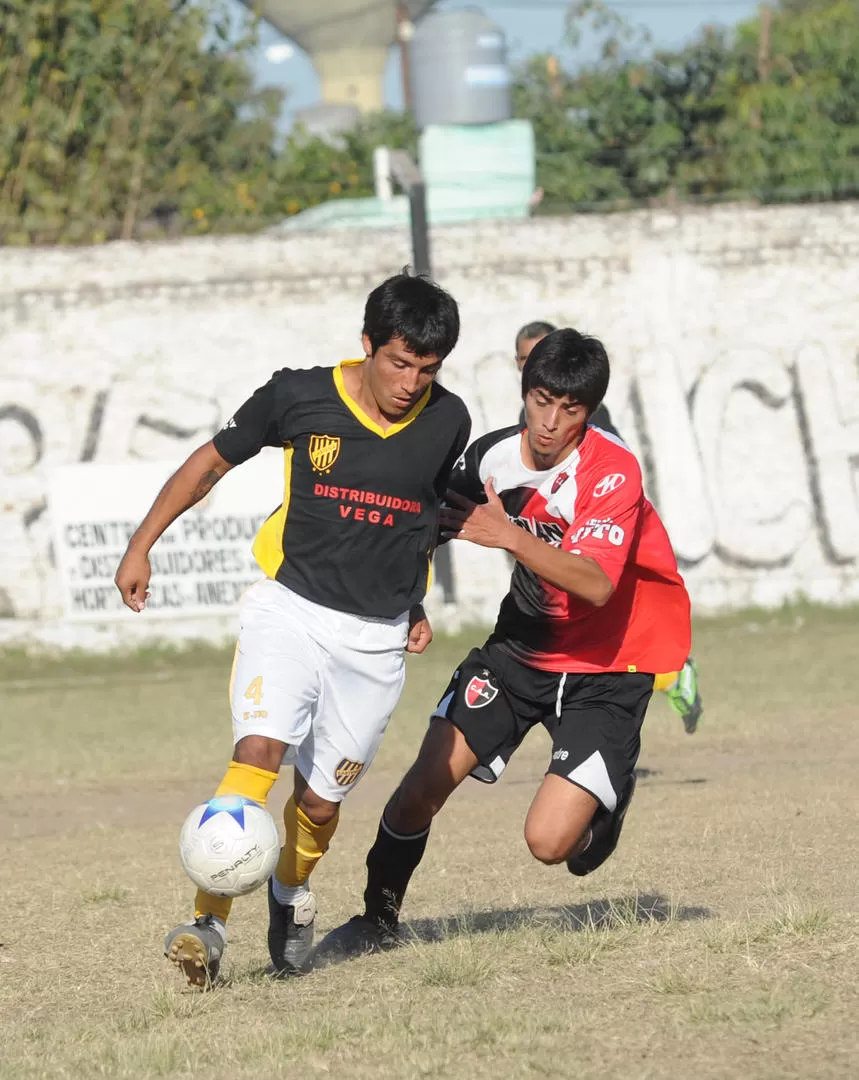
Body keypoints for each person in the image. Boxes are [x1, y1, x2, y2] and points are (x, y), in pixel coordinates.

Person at [114, 271, 471, 987]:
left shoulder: (448, 420)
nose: (410, 382)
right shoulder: (297, 395)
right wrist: (141, 543)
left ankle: (288, 893)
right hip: (291, 610)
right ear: (367, 344)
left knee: (318, 801)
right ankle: (207, 924)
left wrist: (413, 599)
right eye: (398, 362)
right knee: (258, 748)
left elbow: (421, 519)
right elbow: (209, 464)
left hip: (374, 642)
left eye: (426, 369)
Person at [317, 328, 692, 959]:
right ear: (524, 390)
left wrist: (509, 537)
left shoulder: (610, 471)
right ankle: (377, 919)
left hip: (606, 667)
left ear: (590, 411)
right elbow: (418, 527)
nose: (550, 423)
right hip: (518, 652)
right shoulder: (488, 458)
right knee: (422, 786)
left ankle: (607, 801)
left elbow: (596, 584)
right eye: (541, 400)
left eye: (570, 411)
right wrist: (408, 600)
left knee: (549, 845)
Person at [515, 321, 702, 733]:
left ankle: (674, 672)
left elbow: (615, 478)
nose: (535, 367)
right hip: (554, 551)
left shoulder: (592, 420)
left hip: (595, 544)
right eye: (527, 360)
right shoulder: (527, 423)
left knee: (618, 636)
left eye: (541, 356)